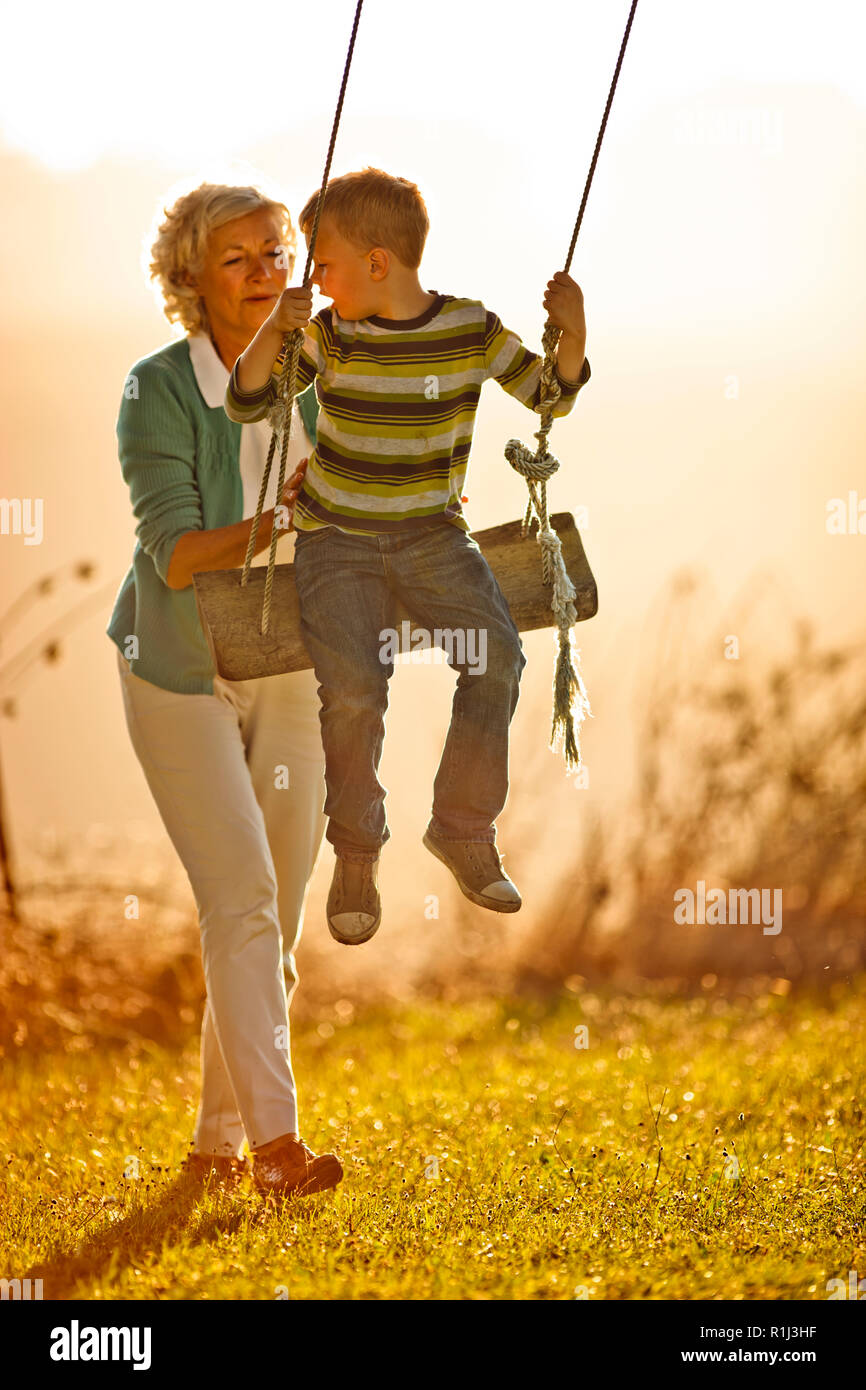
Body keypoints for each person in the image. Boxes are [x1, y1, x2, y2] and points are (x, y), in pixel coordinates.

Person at [225, 167, 590, 948]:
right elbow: (249, 399)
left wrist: (575, 329)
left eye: (324, 266)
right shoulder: (327, 336)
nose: (314, 282)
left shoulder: (471, 330)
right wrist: (273, 331)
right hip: (337, 544)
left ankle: (462, 828)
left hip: (431, 536)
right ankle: (357, 852)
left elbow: (550, 397)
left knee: (495, 659)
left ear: (379, 263)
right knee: (355, 689)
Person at [108, 181, 342, 1197]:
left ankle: (214, 1142)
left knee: (271, 922)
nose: (264, 274)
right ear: (189, 280)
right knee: (241, 896)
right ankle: (278, 1151)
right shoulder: (153, 389)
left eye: (276, 253)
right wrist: (279, 524)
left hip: (287, 659)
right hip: (179, 673)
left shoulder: (314, 374)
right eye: (238, 258)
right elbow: (172, 557)